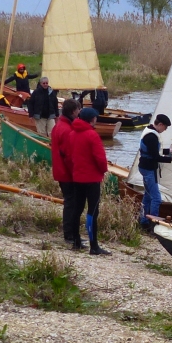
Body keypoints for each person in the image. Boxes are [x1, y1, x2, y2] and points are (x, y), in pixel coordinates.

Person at [71, 107, 110, 255]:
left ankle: (76, 241)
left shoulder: (72, 133)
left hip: (77, 176)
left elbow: (69, 155)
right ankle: (94, 246)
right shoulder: (92, 135)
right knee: (93, 211)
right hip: (92, 177)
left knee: (77, 208)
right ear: (92, 119)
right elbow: (100, 158)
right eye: (95, 118)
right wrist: (103, 170)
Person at [137, 113, 172, 232]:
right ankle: (154, 226)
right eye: (165, 127)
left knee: (147, 196)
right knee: (156, 198)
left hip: (145, 167)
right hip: (148, 169)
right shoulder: (152, 137)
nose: (165, 130)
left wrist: (171, 150)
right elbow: (156, 157)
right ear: (160, 124)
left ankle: (143, 221)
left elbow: (153, 150)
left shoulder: (149, 130)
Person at [52, 99, 80, 249]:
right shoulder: (67, 130)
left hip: (60, 170)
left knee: (69, 202)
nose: (79, 112)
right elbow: (69, 156)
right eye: (78, 110)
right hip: (67, 173)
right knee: (71, 203)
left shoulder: (59, 126)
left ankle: (69, 232)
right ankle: (69, 234)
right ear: (72, 111)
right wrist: (76, 173)